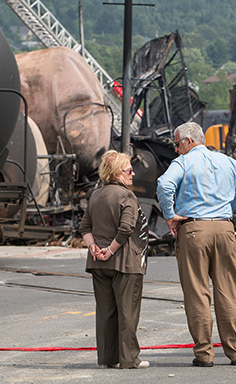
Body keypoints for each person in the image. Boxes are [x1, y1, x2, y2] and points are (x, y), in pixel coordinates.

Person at [156, 121, 236, 367]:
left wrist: (170, 215)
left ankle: (204, 354)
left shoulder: (183, 162)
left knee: (197, 293)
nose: (176, 149)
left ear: (189, 142)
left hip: (194, 229)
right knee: (229, 292)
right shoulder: (226, 161)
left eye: (178, 143)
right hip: (224, 228)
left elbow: (164, 184)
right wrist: (227, 208)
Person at [80, 150, 150, 369]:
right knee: (128, 311)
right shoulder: (127, 195)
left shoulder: (95, 194)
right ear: (118, 172)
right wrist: (109, 250)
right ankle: (129, 359)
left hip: (98, 263)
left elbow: (84, 226)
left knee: (105, 312)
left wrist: (94, 247)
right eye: (129, 170)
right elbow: (127, 228)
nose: (133, 174)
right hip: (125, 262)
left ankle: (107, 359)